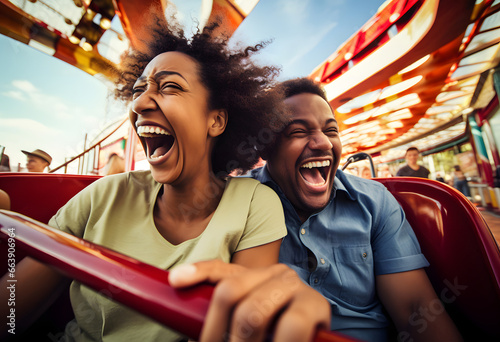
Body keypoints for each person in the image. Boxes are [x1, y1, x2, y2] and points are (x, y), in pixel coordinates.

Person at [0, 12, 289, 342]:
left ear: (217, 121)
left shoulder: (254, 204)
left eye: (169, 86)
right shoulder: (104, 196)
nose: (140, 103)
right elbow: (9, 315)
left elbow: (244, 329)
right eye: (138, 90)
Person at [169, 78, 463, 342]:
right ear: (266, 148)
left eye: (331, 130)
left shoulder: (375, 203)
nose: (323, 142)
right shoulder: (234, 200)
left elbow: (417, 310)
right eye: (298, 131)